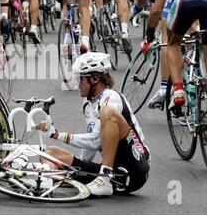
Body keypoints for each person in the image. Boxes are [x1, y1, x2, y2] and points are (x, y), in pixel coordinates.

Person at [36, 52, 150, 197]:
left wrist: (57, 135)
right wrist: (80, 167)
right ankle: (46, 182)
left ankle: (104, 181)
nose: (77, 83)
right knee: (50, 153)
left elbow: (96, 141)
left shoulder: (111, 98)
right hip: (113, 172)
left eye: (80, 78)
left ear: (95, 79)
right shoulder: (88, 103)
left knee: (107, 112)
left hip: (134, 169)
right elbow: (91, 139)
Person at [133, 0, 182, 109]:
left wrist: (136, 7)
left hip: (171, 7)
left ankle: (163, 89)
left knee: (166, 42)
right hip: (197, 2)